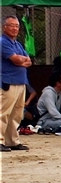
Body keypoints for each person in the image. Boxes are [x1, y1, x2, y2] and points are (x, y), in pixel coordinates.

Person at [1, 15, 32, 152]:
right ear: (4, 27)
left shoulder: (17, 44)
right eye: (11, 25)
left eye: (17, 26)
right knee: (4, 113)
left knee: (17, 114)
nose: (14, 28)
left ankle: (12, 141)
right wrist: (20, 61)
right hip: (8, 81)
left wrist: (21, 60)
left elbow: (29, 61)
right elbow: (15, 59)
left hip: (20, 82)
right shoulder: (3, 42)